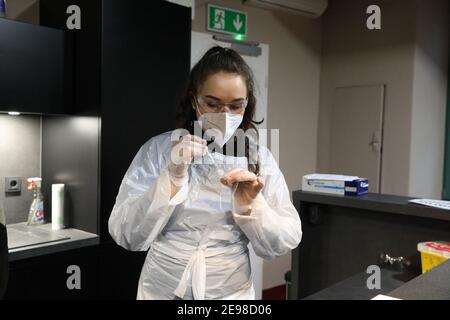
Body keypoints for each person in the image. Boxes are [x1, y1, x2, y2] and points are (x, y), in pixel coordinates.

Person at [108, 46, 302, 300]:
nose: (224, 115)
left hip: (230, 292)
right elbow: (127, 234)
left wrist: (253, 208)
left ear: (247, 104)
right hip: (163, 289)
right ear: (193, 99)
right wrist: (172, 177)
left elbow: (284, 241)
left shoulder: (259, 158)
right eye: (212, 103)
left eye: (236, 106)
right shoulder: (159, 150)